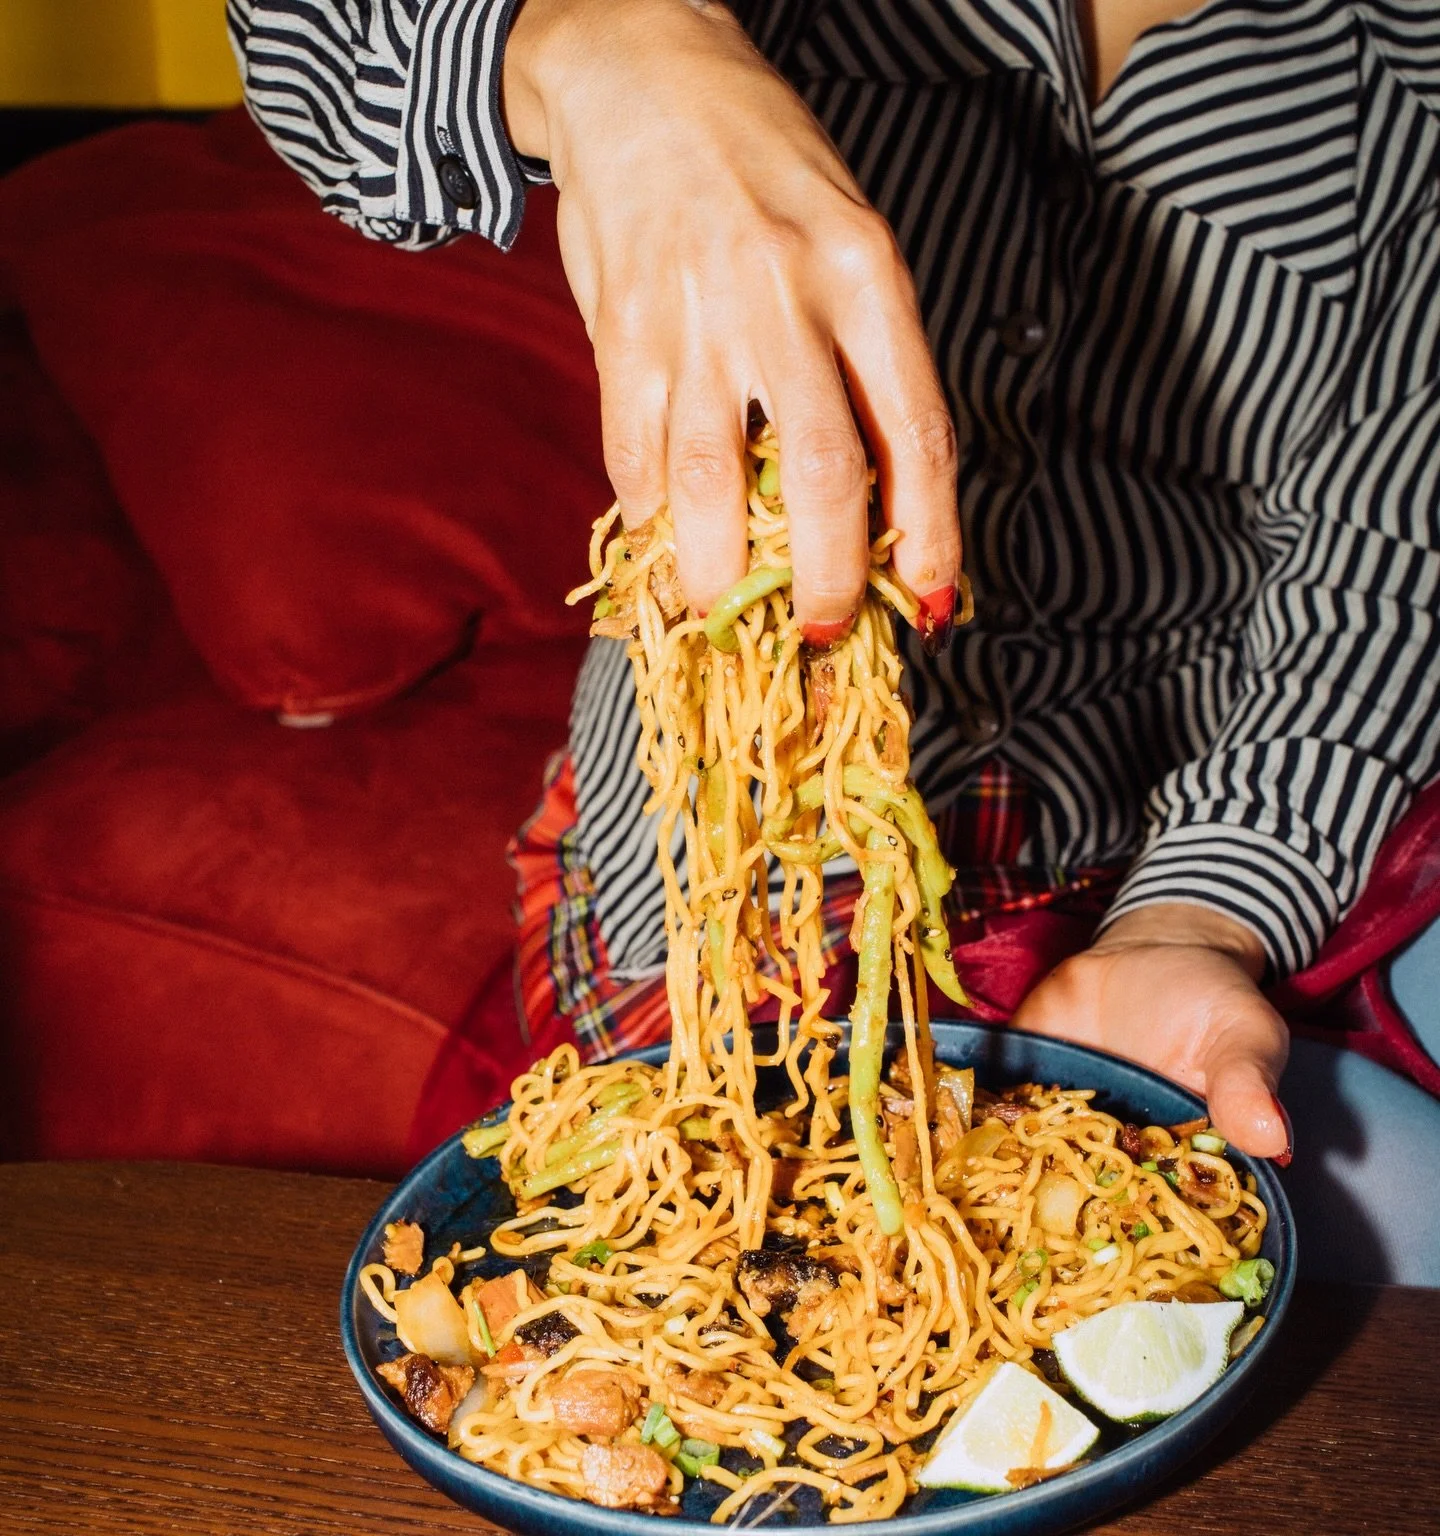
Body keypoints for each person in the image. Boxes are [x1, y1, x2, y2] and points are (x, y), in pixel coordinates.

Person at [227, 0, 1440, 1279]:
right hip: (732, 860)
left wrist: (1201, 916)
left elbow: (1381, 569)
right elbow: (310, 46)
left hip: (1161, 814)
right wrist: (593, 46)